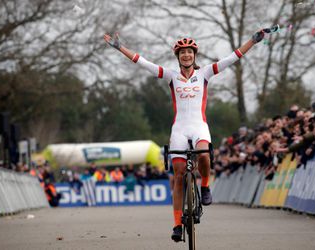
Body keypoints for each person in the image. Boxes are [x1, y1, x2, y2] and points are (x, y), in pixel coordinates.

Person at [104, 29, 265, 242]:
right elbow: (142, 62)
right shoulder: (171, 76)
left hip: (199, 126)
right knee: (179, 176)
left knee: (204, 156)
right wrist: (119, 47)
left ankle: (205, 185)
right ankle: (177, 224)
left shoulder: (205, 73)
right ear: (178, 57)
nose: (186, 55)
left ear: (194, 55)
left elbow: (233, 57)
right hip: (179, 129)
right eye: (182, 53)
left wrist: (252, 41)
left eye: (189, 52)